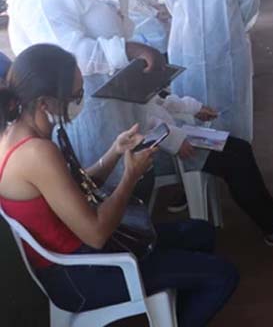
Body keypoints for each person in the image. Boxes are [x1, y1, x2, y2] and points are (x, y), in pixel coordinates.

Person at [0, 44, 238, 327]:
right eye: (75, 96)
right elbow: (97, 232)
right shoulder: (36, 153)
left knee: (201, 233)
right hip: (83, 276)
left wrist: (114, 152)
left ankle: (171, 314)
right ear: (45, 103)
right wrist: (130, 176)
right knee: (222, 276)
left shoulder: (19, 134)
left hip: (85, 257)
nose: (80, 101)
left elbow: (75, 188)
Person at [4, 0, 165, 184]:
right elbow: (72, 56)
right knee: (109, 185)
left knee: (127, 175)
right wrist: (131, 49)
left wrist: (108, 12)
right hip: (86, 112)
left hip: (105, 101)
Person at [144, 92, 273, 247]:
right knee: (234, 164)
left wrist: (193, 108)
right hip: (156, 149)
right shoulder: (118, 76)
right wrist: (174, 139)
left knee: (241, 149)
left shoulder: (131, 70)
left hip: (172, 134)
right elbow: (138, 124)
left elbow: (156, 100)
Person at [165, 0, 259, 143]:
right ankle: (201, 169)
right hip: (188, 49)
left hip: (228, 49)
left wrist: (226, 29)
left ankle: (235, 157)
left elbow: (249, 5)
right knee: (192, 108)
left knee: (230, 106)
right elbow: (172, 3)